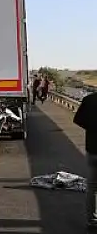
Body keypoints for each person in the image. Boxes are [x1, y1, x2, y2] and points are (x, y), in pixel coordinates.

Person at [73, 90, 97, 231]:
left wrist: (91, 129)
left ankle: (92, 220)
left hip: (93, 149)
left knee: (92, 187)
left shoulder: (89, 99)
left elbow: (77, 119)